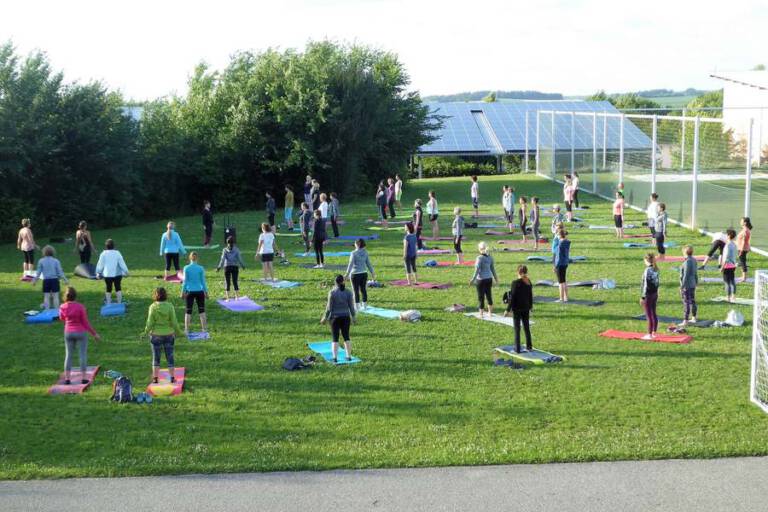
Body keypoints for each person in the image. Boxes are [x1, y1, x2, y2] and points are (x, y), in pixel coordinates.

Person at [58, 286, 100, 385]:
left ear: (66, 296)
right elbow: (85, 322)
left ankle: (67, 379)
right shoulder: (80, 307)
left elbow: (61, 318)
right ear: (75, 296)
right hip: (81, 332)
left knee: (68, 355)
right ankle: (84, 378)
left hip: (68, 332)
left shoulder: (62, 307)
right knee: (82, 355)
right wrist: (94, 334)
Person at [143, 287, 184, 383]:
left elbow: (149, 323)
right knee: (170, 356)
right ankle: (172, 378)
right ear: (166, 295)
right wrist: (179, 332)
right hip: (169, 335)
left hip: (155, 335)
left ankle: (155, 379)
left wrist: (145, 332)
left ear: (155, 295)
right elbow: (174, 322)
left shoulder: (152, 307)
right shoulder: (170, 306)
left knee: (156, 357)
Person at [320, 274, 356, 363]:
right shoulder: (349, 292)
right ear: (344, 282)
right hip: (346, 318)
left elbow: (329, 308)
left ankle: (335, 358)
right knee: (346, 337)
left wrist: (324, 318)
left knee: (335, 338)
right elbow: (351, 307)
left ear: (335, 282)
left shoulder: (332, 293)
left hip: (334, 319)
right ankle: (349, 356)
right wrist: (354, 317)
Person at [504, 265, 533, 353]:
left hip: (517, 309)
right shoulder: (528, 281)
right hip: (526, 308)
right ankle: (529, 346)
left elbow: (512, 298)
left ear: (518, 272)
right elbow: (530, 296)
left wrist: (507, 310)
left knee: (517, 329)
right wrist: (531, 307)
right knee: (526, 327)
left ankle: (517, 349)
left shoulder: (515, 283)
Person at [32, 246, 68, 310]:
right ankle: (56, 310)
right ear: (53, 252)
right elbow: (60, 271)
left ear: (44, 252)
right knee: (55, 296)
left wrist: (35, 280)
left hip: (46, 281)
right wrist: (65, 280)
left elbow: (38, 272)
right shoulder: (56, 261)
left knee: (46, 296)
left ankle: (47, 311)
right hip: (54, 280)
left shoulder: (41, 261)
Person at [469, 241, 499, 318]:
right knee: (489, 295)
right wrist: (496, 279)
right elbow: (493, 269)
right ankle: (490, 313)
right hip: (489, 279)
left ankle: (481, 314)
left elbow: (477, 270)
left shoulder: (479, 258)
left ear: (479, 249)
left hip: (481, 280)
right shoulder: (490, 257)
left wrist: (472, 280)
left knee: (481, 297)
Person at [181, 252, 208, 335]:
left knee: (188, 311)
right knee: (202, 311)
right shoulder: (201, 268)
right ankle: (204, 329)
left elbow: (185, 281)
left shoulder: (186, 268)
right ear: (197, 258)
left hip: (190, 292)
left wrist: (182, 292)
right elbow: (203, 281)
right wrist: (206, 292)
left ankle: (186, 330)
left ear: (190, 258)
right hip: (199, 292)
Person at [95, 239, 129, 304]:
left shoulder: (103, 254)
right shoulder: (117, 253)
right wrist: (126, 271)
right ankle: (119, 303)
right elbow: (122, 263)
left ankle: (108, 303)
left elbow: (100, 264)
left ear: (106, 246)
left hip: (107, 275)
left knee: (108, 288)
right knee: (118, 287)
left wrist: (98, 272)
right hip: (117, 274)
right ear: (114, 246)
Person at [345, 239, 375, 310]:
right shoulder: (365, 252)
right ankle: (364, 305)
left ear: (357, 244)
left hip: (355, 274)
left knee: (355, 290)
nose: (354, 244)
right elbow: (368, 263)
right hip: (364, 274)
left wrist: (346, 274)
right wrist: (372, 272)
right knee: (363, 290)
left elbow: (350, 264)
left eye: (355, 243)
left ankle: (357, 306)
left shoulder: (353, 253)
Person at [216, 236, 246, 301]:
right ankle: (237, 297)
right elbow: (239, 259)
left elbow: (222, 259)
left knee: (227, 282)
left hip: (227, 267)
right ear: (234, 243)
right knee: (235, 281)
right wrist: (243, 265)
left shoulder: (224, 250)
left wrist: (219, 267)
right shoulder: (237, 249)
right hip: (235, 267)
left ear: (227, 243)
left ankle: (228, 298)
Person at [640, 253, 660, 340]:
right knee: (653, 313)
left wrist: (643, 297)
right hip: (655, 294)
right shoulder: (656, 269)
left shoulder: (647, 270)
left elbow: (645, 284)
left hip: (648, 294)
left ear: (646, 260)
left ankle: (649, 334)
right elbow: (657, 283)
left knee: (648, 315)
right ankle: (654, 332)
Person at [679, 245, 698, 327]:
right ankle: (694, 317)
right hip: (692, 284)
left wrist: (682, 286)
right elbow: (695, 273)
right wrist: (696, 282)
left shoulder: (687, 262)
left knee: (686, 302)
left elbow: (685, 275)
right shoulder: (694, 260)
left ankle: (685, 320)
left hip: (687, 285)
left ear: (684, 253)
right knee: (693, 301)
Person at [720, 229, 738, 303]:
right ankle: (733, 296)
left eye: (727, 234)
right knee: (732, 281)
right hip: (733, 265)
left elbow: (726, 257)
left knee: (727, 282)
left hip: (727, 266)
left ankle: (728, 297)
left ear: (729, 236)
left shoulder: (727, 245)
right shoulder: (734, 244)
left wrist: (722, 267)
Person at [553, 229, 571, 302]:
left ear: (559, 235)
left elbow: (558, 256)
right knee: (564, 281)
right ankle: (566, 297)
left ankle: (561, 298)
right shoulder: (567, 242)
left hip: (560, 264)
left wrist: (555, 266)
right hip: (565, 263)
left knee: (560, 282)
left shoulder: (560, 244)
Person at [737, 217, 752, 283]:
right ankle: (743, 276)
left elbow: (744, 241)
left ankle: (744, 278)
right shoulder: (745, 230)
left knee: (743, 263)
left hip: (742, 249)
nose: (740, 222)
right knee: (742, 262)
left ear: (745, 223)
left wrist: (741, 250)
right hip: (741, 248)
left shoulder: (745, 230)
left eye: (741, 221)